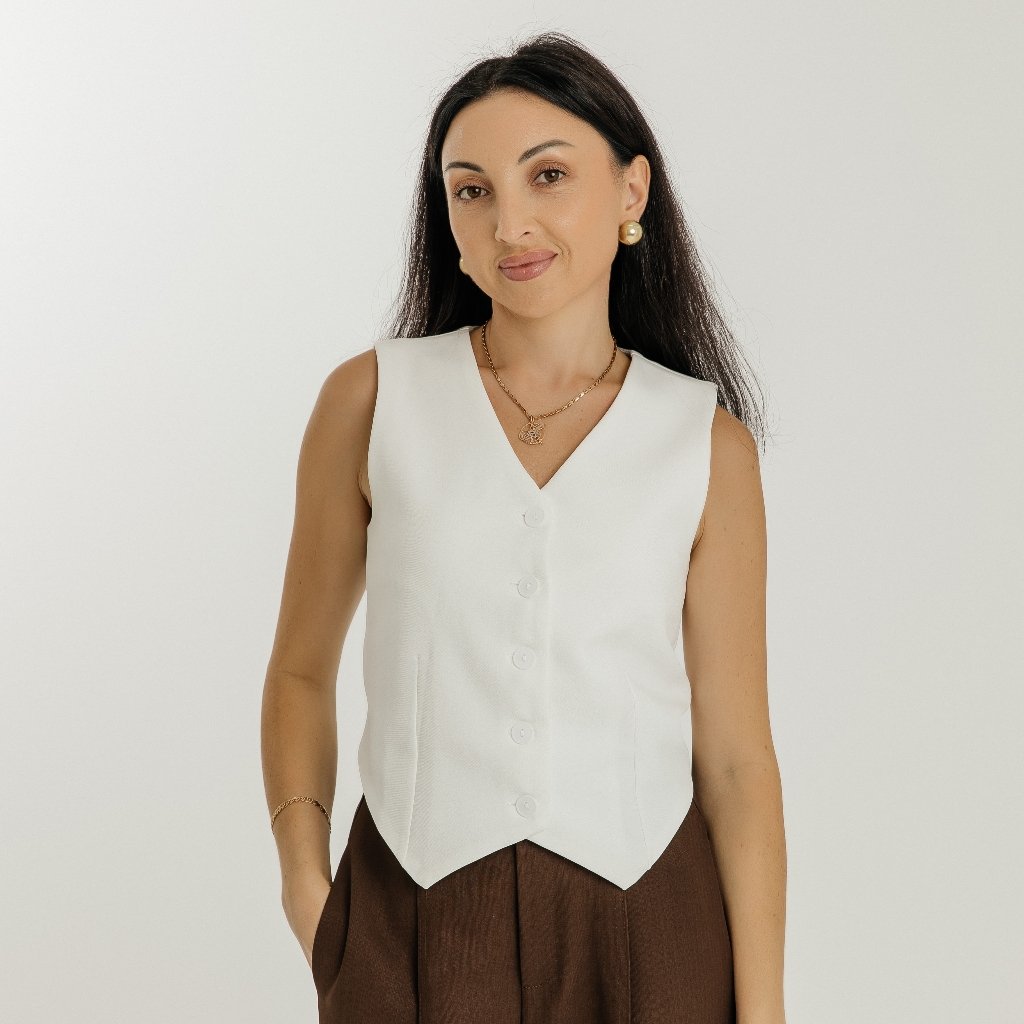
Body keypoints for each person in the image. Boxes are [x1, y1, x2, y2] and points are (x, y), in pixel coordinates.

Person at [261, 32, 785, 1024]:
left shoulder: (704, 443)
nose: (510, 223)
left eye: (548, 175)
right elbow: (299, 669)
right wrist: (306, 884)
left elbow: (735, 760)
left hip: (649, 920)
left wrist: (763, 1011)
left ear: (631, 191)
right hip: (406, 915)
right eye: (472, 190)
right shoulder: (370, 402)